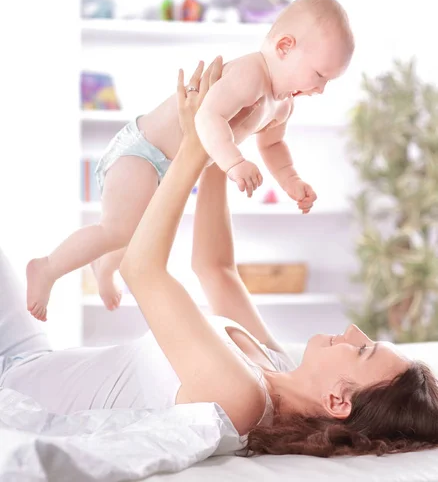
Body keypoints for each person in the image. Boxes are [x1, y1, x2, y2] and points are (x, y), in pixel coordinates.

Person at [3, 59, 436, 458]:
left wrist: (193, 145)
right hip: (29, 358)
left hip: (11, 385)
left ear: (338, 401)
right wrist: (222, 145)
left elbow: (141, 269)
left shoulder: (241, 398)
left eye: (362, 351)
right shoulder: (274, 365)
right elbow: (215, 269)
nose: (353, 330)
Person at [26, 0, 354, 320]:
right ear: (285, 47)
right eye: (320, 75)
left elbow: (272, 146)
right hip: (142, 151)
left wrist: (291, 180)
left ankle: (105, 265)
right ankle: (47, 268)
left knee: (136, 231)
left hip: (169, 168)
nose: (321, 89)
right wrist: (233, 162)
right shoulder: (251, 73)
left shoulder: (282, 103)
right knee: (119, 229)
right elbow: (206, 117)